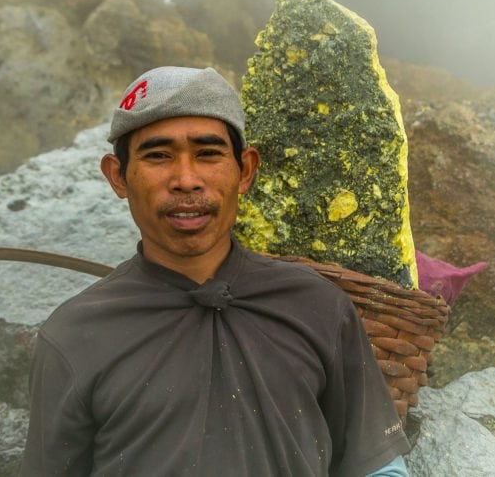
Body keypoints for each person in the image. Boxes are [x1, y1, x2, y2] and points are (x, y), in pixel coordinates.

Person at [21, 66, 411, 476]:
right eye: (158, 155)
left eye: (208, 153)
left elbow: (377, 466)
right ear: (118, 177)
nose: (186, 180)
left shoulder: (317, 306)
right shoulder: (75, 335)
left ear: (245, 171)